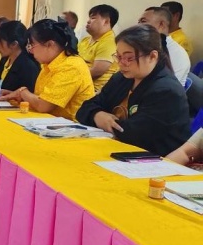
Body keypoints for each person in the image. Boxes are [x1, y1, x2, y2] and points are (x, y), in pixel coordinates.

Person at [77, 25, 189, 156]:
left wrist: (102, 120)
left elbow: (133, 133)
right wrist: (97, 115)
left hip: (154, 158)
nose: (121, 63)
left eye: (129, 58)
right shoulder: (122, 78)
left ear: (152, 56)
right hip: (118, 149)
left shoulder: (166, 91)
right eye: (119, 57)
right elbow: (85, 108)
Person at [0, 19, 95, 121]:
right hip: (50, 121)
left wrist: (22, 92)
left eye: (32, 45)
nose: (30, 51)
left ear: (50, 44)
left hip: (72, 126)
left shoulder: (71, 66)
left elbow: (43, 106)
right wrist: (17, 94)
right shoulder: (49, 64)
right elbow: (40, 98)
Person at [138, 7, 189, 85]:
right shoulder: (143, 46)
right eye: (138, 22)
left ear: (161, 25)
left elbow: (168, 86)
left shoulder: (178, 54)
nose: (138, 26)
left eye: (143, 21)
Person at [79, 4, 119, 91]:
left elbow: (97, 71)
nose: (88, 21)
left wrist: (70, 76)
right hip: (80, 84)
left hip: (95, 91)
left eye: (93, 18)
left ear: (106, 22)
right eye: (89, 18)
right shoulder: (85, 40)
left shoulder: (109, 42)